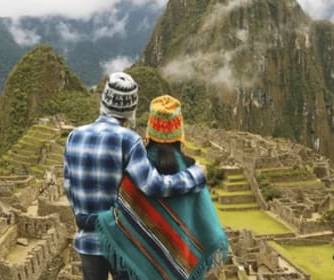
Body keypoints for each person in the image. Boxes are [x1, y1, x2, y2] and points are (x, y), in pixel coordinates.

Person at [64, 73, 206, 280]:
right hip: (120, 242)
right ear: (131, 111)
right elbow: (153, 185)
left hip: (87, 241)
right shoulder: (129, 140)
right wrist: (194, 176)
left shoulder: (74, 136)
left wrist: (87, 217)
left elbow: (69, 188)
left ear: (103, 103)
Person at [97, 95, 228, 280]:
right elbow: (208, 228)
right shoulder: (193, 171)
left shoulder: (136, 168)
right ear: (179, 130)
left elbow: (120, 217)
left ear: (150, 128)